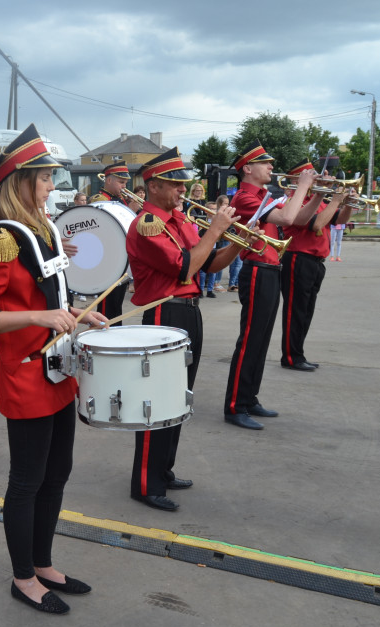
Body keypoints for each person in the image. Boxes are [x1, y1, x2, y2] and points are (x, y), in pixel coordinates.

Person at [0, 123, 107, 614]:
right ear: (19, 181)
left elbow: (50, 295)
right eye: (44, 179)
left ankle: (42, 563)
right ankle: (23, 578)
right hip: (24, 374)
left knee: (57, 472)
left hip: (58, 371)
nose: (51, 187)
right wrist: (39, 317)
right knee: (27, 479)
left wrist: (81, 314)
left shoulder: (41, 229)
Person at [126, 147, 248, 511]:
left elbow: (208, 264)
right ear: (155, 185)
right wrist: (215, 229)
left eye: (183, 185)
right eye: (176, 185)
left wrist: (240, 244)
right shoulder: (148, 223)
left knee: (179, 398)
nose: (183, 191)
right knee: (157, 401)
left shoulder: (179, 220)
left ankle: (163, 471)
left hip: (188, 312)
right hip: (164, 313)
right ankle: (145, 483)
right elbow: (183, 268)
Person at [223, 141, 322, 430]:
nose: (271, 167)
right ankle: (234, 406)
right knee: (250, 341)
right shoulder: (244, 197)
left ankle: (249, 398)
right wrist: (303, 184)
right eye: (266, 163)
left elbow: (301, 221)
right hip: (256, 271)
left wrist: (315, 195)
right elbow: (288, 217)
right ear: (248, 168)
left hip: (270, 269)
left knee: (262, 340)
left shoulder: (264, 195)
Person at [279, 160, 355, 372]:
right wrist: (336, 199)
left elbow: (338, 220)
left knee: (306, 312)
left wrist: (347, 203)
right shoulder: (296, 200)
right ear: (297, 178)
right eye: (311, 175)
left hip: (315, 263)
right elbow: (317, 224)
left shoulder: (317, 200)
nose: (319, 177)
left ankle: (298, 353)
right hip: (298, 259)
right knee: (296, 312)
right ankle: (291, 356)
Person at [88, 164, 138, 325]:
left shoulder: (120, 200)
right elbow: (102, 228)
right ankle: (104, 331)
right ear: (108, 180)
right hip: (106, 260)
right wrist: (130, 208)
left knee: (116, 303)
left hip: (120, 257)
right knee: (107, 306)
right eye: (121, 182)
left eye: (125, 183)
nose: (125, 186)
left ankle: (115, 330)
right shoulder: (100, 200)